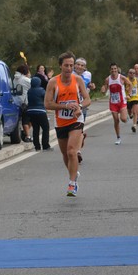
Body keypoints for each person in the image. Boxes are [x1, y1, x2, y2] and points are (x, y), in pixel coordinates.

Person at [44, 52, 90, 197]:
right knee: (65, 154)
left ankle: (72, 184)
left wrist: (79, 107)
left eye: (71, 65)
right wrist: (65, 107)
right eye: (66, 65)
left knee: (72, 151)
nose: (69, 68)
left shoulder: (78, 80)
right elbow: (47, 104)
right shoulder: (53, 82)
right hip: (61, 121)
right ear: (60, 66)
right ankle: (74, 174)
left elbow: (88, 99)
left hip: (76, 119)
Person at [101, 63, 132, 145]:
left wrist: (128, 94)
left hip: (122, 101)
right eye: (112, 69)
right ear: (110, 70)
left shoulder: (121, 77)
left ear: (117, 69)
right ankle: (118, 137)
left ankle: (126, 117)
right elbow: (105, 89)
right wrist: (103, 90)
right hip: (113, 102)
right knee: (116, 120)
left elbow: (130, 84)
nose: (113, 70)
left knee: (123, 119)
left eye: (115, 69)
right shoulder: (107, 79)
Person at [26, 76, 50, 151]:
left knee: (35, 129)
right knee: (45, 128)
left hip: (31, 111)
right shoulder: (41, 90)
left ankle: (37, 146)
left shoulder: (29, 91)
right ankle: (45, 145)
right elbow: (46, 98)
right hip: (41, 111)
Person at [13, 64, 32, 143]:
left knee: (23, 119)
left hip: (16, 101)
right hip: (25, 102)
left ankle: (24, 132)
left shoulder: (15, 79)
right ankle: (26, 135)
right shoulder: (26, 80)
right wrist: (29, 77)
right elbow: (33, 85)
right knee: (28, 120)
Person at [126, 68, 138, 133]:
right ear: (128, 73)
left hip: (135, 98)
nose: (132, 74)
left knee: (134, 112)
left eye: (133, 73)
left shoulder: (136, 80)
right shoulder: (125, 80)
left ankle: (134, 125)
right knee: (129, 112)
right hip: (128, 99)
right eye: (130, 73)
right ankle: (130, 115)